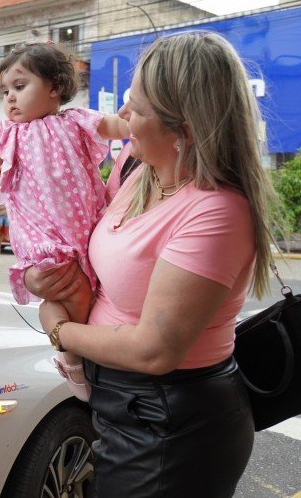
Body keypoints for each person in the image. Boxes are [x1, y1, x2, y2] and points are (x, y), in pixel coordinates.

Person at [31, 31, 275, 496]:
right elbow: (85, 253)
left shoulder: (217, 212)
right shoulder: (138, 171)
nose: (122, 116)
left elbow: (154, 351)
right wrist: (41, 277)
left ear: (183, 129)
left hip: (172, 421)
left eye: (136, 109)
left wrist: (57, 328)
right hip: (122, 405)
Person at [0, 41, 128, 397]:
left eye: (20, 86)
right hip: (44, 240)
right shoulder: (9, 134)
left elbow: (120, 125)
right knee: (69, 289)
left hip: (87, 233)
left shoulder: (77, 121)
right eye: (5, 91)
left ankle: (81, 359)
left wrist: (144, 114)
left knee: (77, 298)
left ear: (55, 87)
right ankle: (75, 361)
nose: (10, 98)